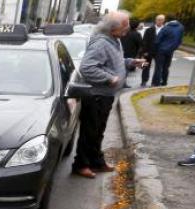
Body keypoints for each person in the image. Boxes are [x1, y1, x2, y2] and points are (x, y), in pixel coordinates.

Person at [72, 11, 147, 178]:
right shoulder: (101, 43)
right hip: (96, 95)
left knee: (98, 131)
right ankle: (80, 165)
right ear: (113, 29)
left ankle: (96, 162)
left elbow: (114, 62)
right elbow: (87, 68)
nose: (128, 29)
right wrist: (109, 79)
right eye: (125, 26)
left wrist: (131, 62)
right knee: (90, 132)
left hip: (104, 95)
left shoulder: (114, 40)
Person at [153, 18, 184, 86]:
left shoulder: (166, 28)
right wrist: (174, 48)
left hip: (161, 50)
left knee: (158, 67)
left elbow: (158, 39)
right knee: (166, 67)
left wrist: (155, 49)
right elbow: (180, 40)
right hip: (170, 51)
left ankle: (156, 83)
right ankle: (164, 82)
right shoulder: (181, 28)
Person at [139, 15, 163, 86]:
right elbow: (145, 41)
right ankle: (144, 80)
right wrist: (144, 51)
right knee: (145, 66)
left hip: (159, 51)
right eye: (158, 20)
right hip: (148, 51)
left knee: (158, 67)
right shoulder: (149, 29)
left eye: (161, 20)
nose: (160, 21)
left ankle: (155, 82)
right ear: (156, 20)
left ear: (163, 21)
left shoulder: (165, 30)